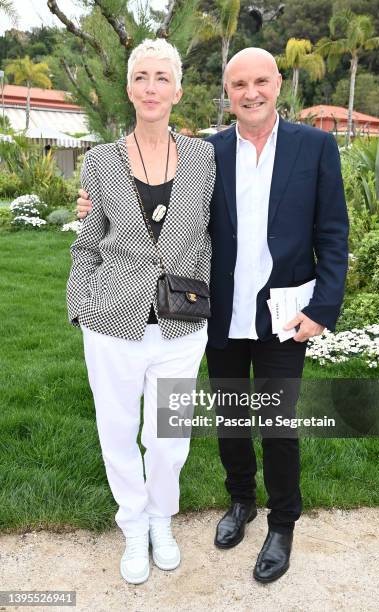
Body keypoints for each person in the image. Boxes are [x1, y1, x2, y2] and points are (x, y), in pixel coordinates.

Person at [77, 47, 349, 584]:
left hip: (282, 314)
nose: (251, 93)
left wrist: (324, 307)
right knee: (229, 418)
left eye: (260, 82)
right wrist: (91, 215)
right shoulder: (212, 152)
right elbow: (119, 216)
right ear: (226, 93)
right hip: (215, 312)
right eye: (239, 84)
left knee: (275, 421)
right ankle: (240, 502)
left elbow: (333, 233)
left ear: (277, 85)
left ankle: (283, 522)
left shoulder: (313, 147)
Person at [67, 38, 215, 586]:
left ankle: (160, 520)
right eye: (142, 77)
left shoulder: (204, 158)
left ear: (178, 90)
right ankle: (131, 525)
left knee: (170, 437)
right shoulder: (99, 161)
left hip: (182, 326)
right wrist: (80, 306)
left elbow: (211, 235)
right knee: (118, 429)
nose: (151, 87)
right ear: (129, 88)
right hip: (113, 324)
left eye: (162, 77)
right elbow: (88, 240)